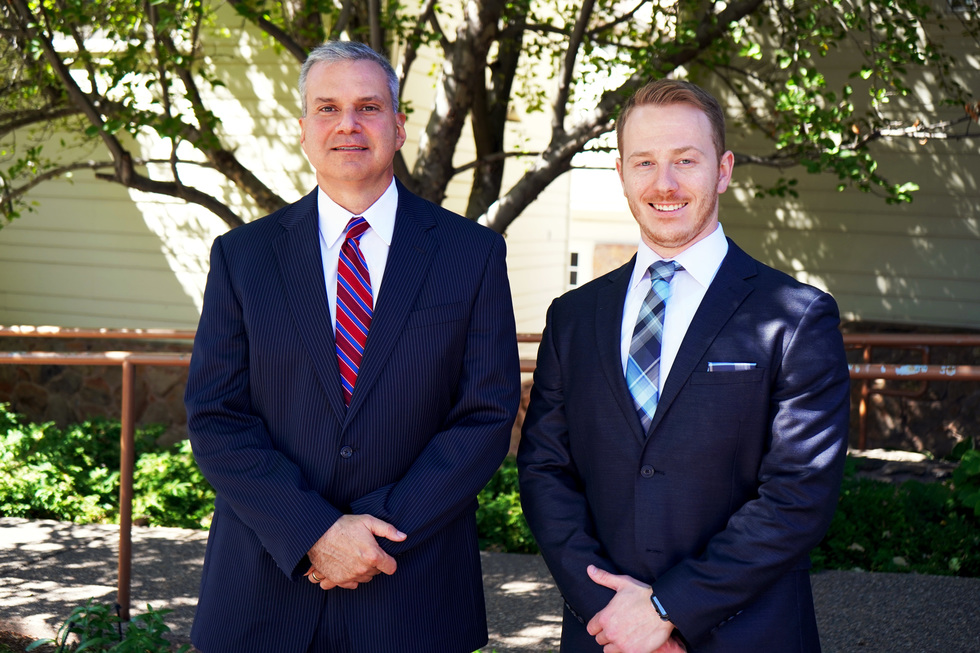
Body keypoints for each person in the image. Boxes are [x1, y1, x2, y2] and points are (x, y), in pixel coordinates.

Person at [184, 40, 521, 653]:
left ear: (398, 126)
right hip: (264, 592)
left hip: (411, 592)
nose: (348, 124)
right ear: (304, 130)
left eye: (368, 107)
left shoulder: (471, 254)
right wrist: (314, 532)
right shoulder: (243, 258)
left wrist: (368, 538)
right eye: (327, 108)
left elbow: (485, 416)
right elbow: (216, 416)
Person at [517, 78, 850, 653]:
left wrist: (668, 611)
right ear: (621, 173)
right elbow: (546, 472)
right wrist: (614, 615)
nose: (664, 183)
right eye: (644, 161)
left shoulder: (796, 316)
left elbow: (798, 495)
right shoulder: (573, 316)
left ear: (723, 170)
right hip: (605, 635)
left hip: (748, 635)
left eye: (686, 160)